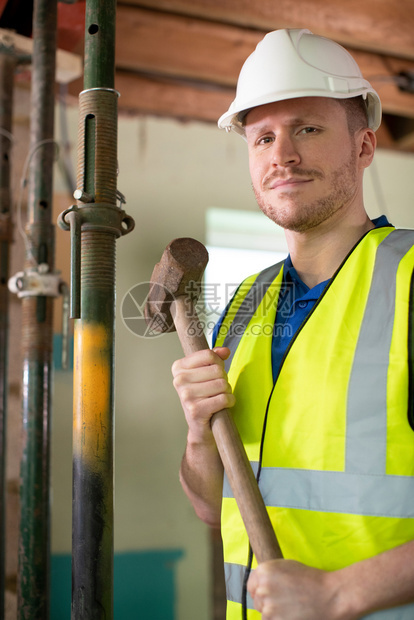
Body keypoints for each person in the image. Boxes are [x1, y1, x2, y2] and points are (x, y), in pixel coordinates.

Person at [171, 28, 414, 620]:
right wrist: (200, 433)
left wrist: (341, 593)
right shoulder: (248, 303)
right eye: (263, 137)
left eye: (308, 128)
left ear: (363, 146)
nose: (282, 154)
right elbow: (212, 507)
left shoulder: (409, 280)